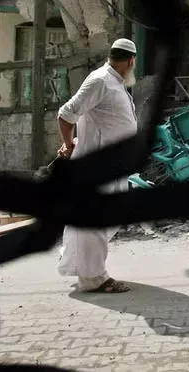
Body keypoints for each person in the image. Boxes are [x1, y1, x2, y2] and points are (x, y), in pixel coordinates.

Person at [56, 38, 139, 293]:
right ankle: (94, 278)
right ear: (130, 61)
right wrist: (68, 145)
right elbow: (66, 114)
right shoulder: (100, 80)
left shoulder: (114, 82)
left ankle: (77, 261)